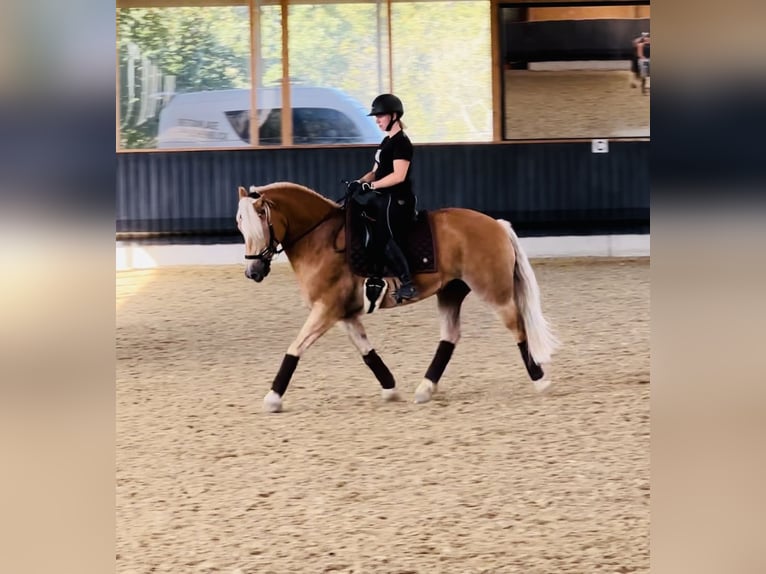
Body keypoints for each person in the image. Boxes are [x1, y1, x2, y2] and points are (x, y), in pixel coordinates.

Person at [349, 93, 418, 302]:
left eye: (380, 116)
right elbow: (375, 171)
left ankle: (408, 283)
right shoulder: (385, 142)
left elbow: (399, 176)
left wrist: (371, 185)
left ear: (394, 116)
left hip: (398, 200)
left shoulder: (402, 143)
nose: (377, 120)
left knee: (383, 235)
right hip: (382, 197)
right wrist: (359, 182)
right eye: (376, 117)